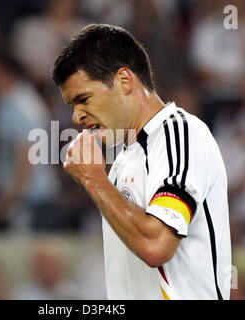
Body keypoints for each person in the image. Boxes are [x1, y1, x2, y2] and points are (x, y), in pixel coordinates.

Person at [52, 24, 231, 300]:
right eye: (71, 106)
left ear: (125, 81)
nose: (77, 117)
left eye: (83, 99)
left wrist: (93, 179)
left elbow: (157, 245)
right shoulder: (125, 158)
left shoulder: (179, 134)